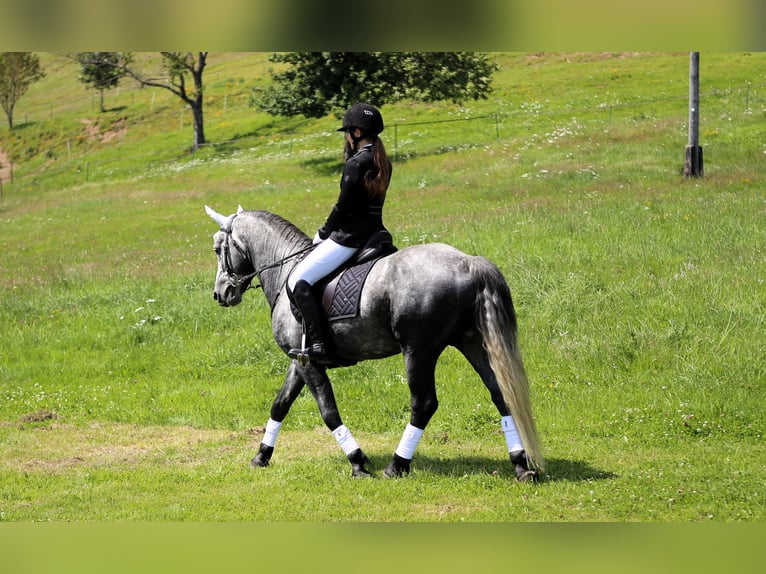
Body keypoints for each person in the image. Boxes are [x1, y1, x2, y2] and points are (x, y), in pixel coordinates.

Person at [287, 103, 393, 364]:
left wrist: (323, 232)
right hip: (375, 234)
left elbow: (343, 207)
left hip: (349, 239)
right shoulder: (383, 161)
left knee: (298, 281)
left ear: (356, 133)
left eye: (347, 131)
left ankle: (321, 347)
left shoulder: (356, 164)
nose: (346, 136)